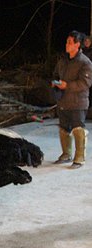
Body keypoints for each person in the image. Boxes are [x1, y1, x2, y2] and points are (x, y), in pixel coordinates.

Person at [52, 31, 92, 169]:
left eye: (70, 42)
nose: (66, 44)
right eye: (66, 41)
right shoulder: (63, 60)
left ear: (77, 44)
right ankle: (66, 154)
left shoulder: (85, 62)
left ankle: (79, 158)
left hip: (78, 102)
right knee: (64, 129)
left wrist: (67, 85)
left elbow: (85, 83)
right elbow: (56, 74)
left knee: (78, 129)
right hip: (63, 101)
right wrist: (55, 82)